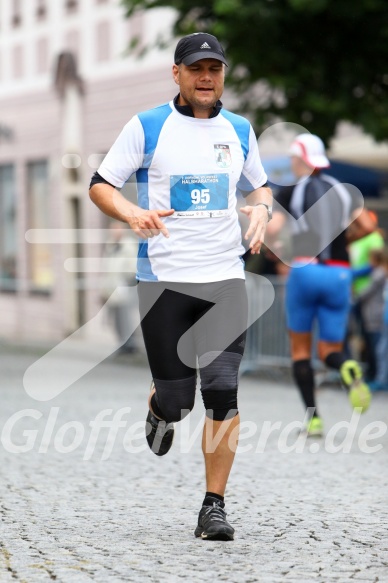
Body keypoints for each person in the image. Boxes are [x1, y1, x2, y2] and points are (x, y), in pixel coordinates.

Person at [89, 32, 272, 541]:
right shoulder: (147, 126)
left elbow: (258, 183)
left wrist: (260, 206)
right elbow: (101, 183)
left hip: (225, 279)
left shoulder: (239, 129)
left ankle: (213, 506)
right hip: (164, 282)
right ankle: (160, 408)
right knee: (180, 401)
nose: (206, 77)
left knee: (223, 392)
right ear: (178, 74)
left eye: (214, 68)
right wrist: (131, 212)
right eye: (196, 69)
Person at [266, 133, 374, 436]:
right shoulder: (341, 190)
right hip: (339, 273)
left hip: (305, 269)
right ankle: (346, 367)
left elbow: (274, 228)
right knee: (329, 348)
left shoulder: (291, 190)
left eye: (292, 157)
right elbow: (367, 226)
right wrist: (346, 240)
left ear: (302, 159)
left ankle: (313, 419)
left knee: (301, 350)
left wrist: (276, 247)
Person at [100, 221, 139, 354]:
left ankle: (130, 343)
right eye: (112, 229)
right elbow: (107, 268)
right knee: (116, 317)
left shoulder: (128, 246)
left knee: (126, 316)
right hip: (112, 287)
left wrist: (127, 280)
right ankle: (122, 342)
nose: (114, 232)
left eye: (117, 229)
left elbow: (132, 266)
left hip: (125, 286)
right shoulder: (110, 245)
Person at [354, 248, 386, 382]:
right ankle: (374, 376)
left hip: (376, 315)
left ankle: (378, 378)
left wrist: (355, 295)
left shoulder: (379, 274)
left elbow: (366, 292)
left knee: (377, 349)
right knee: (373, 347)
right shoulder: (377, 272)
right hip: (373, 315)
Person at [369, 247, 388, 392]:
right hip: (384, 318)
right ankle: (381, 379)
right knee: (381, 349)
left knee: (382, 350)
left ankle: (381, 380)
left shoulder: (380, 274)